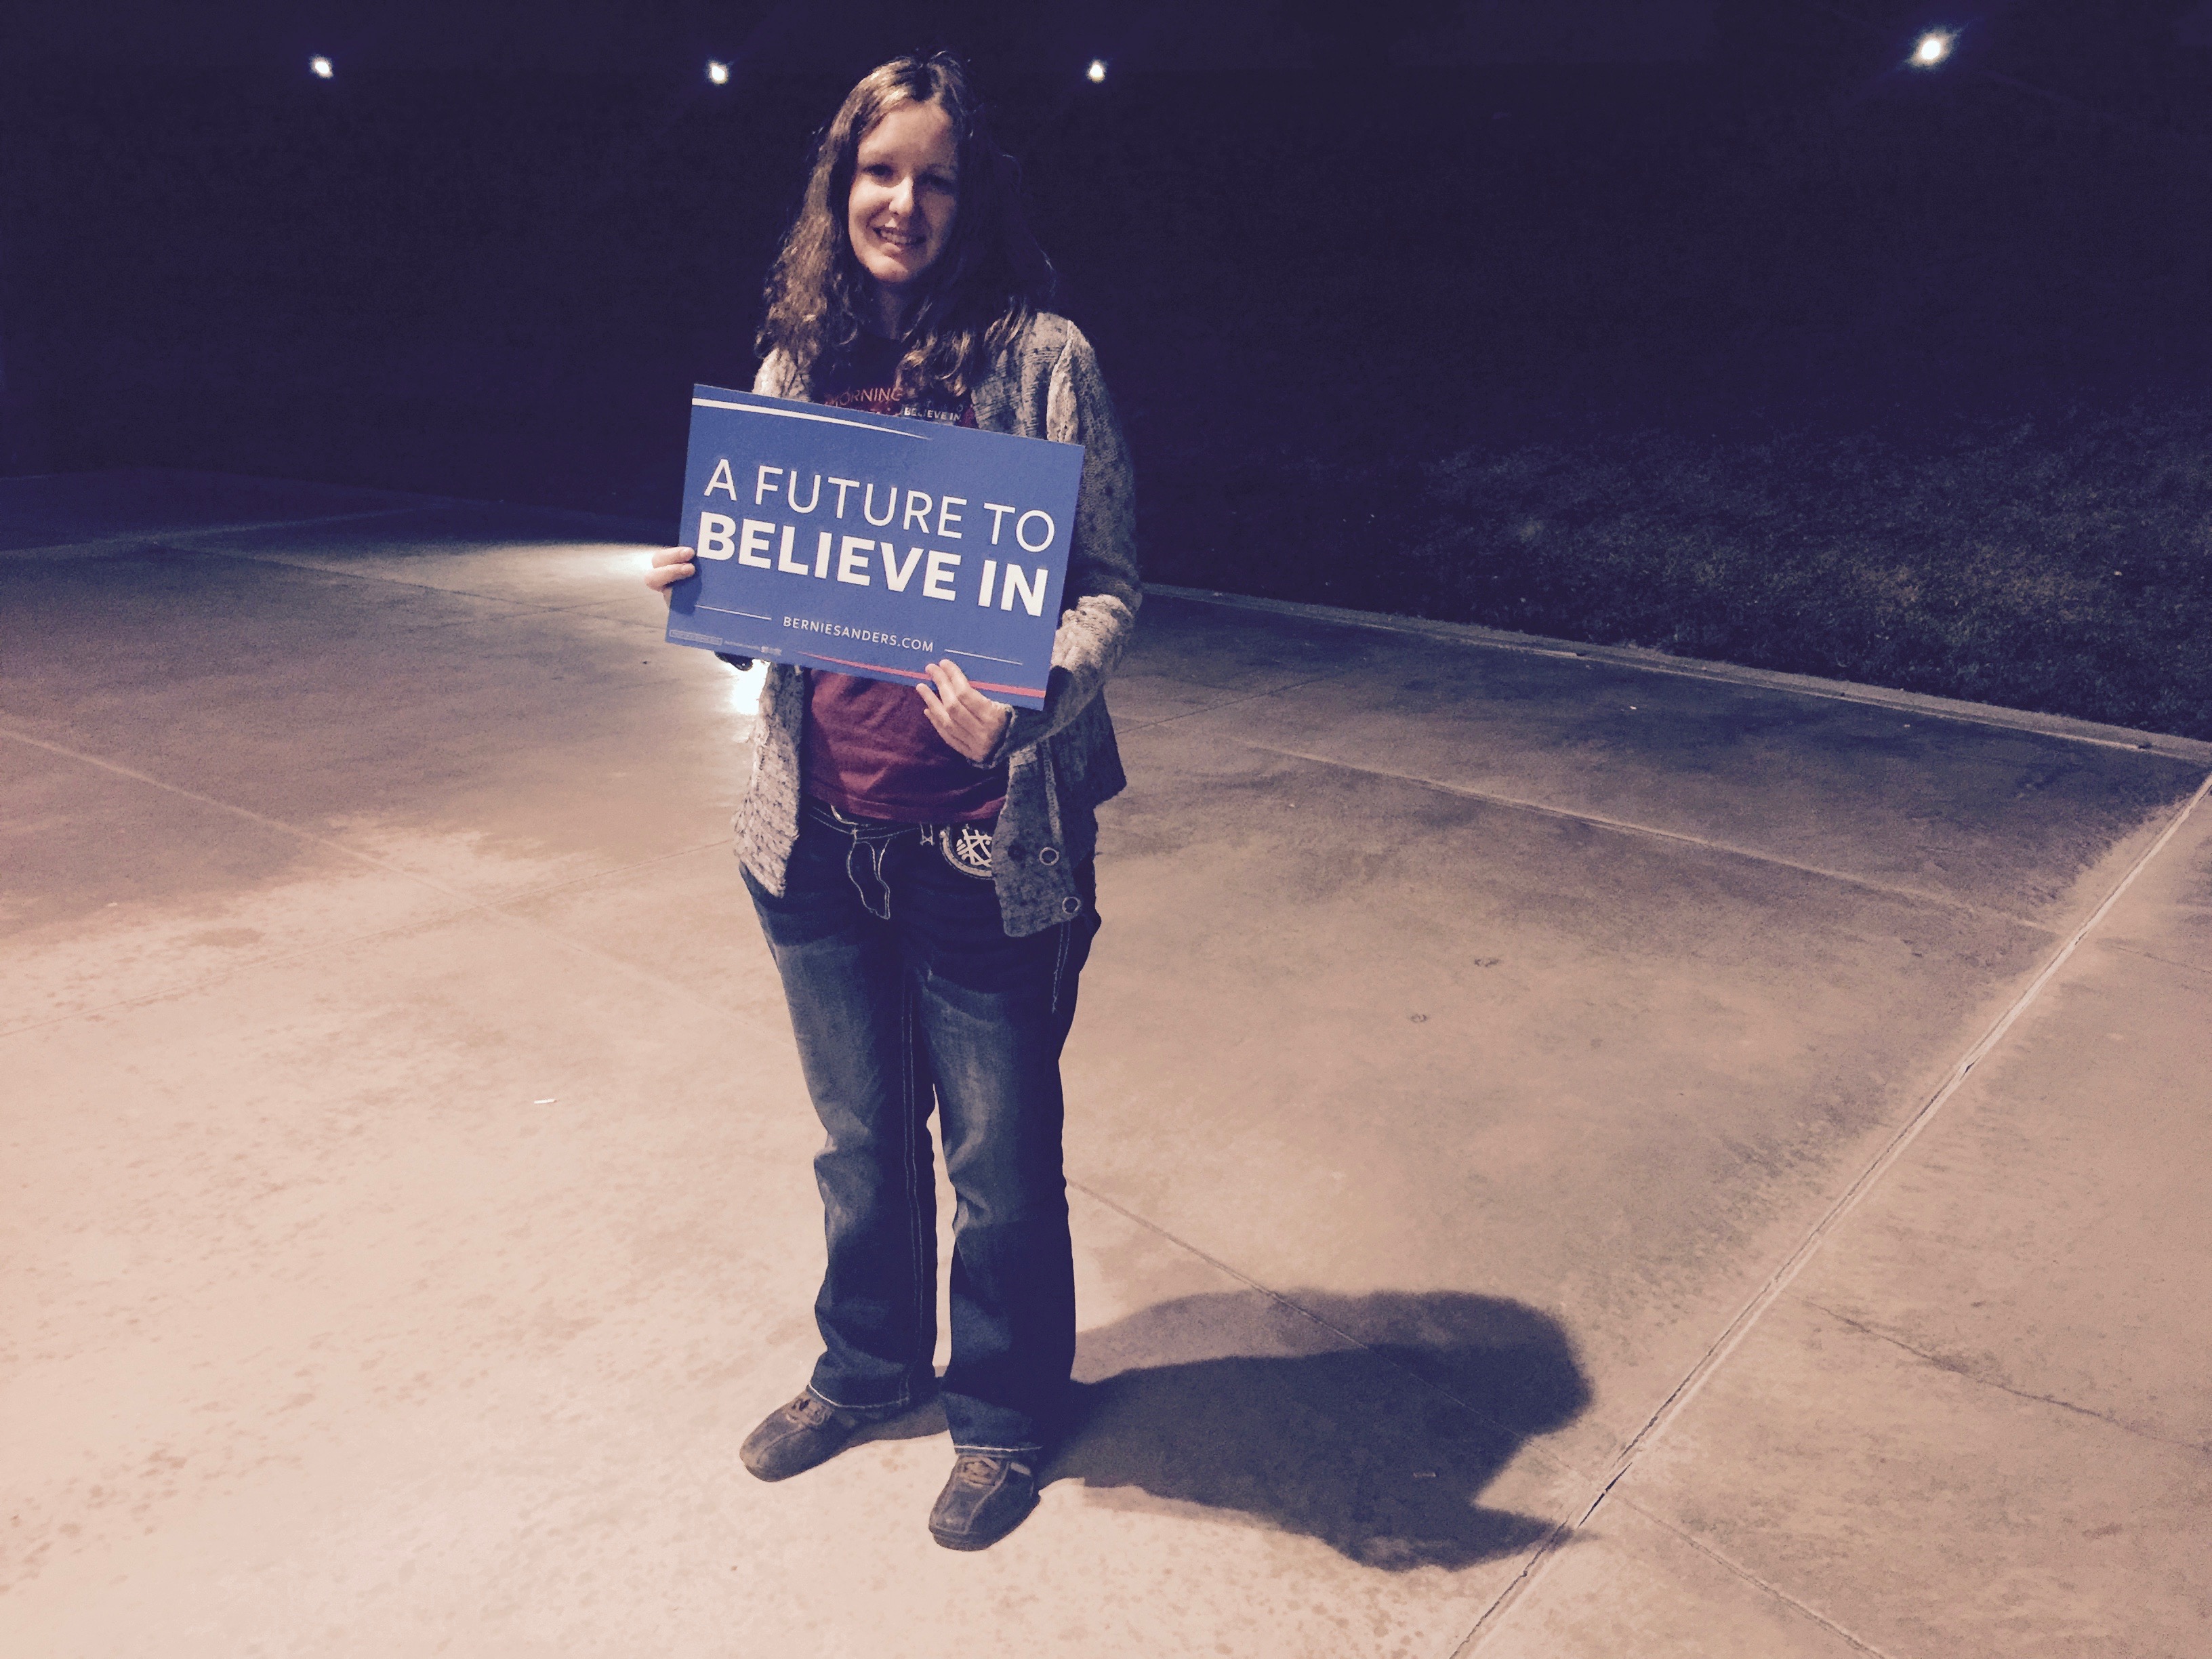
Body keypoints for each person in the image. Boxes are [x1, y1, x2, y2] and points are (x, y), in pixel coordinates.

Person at [644, 51, 1139, 1551]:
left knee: (997, 1162)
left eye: (932, 176)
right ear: (838, 187)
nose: (901, 202)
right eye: (876, 171)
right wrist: (711, 594)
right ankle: (866, 1370)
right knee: (859, 1143)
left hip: (986, 843)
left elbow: (1111, 586)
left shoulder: (1045, 360)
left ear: (971, 193)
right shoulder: (798, 360)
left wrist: (1032, 693)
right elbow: (777, 630)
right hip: (815, 835)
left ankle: (999, 1413)